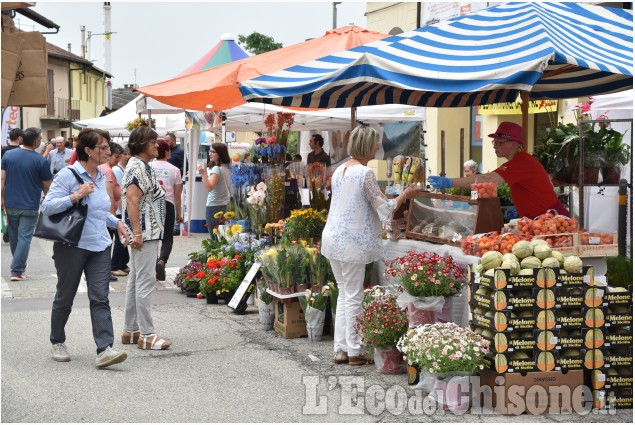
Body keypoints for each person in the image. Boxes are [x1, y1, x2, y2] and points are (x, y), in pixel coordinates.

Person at [321, 125, 419, 366]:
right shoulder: (364, 173)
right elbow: (384, 207)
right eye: (376, 143)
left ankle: (341, 348)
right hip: (351, 240)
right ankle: (354, 350)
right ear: (367, 146)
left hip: (333, 237)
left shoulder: (338, 171)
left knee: (345, 293)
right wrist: (405, 194)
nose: (378, 147)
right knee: (352, 296)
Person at [41, 128, 130, 368]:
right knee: (65, 296)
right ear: (88, 150)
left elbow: (100, 211)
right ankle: (57, 340)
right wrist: (75, 196)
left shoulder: (101, 175)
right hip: (72, 245)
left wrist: (117, 222)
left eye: (108, 147)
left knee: (100, 297)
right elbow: (47, 208)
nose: (108, 151)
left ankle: (105, 349)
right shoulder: (68, 176)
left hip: (100, 245)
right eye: (103, 148)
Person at [428, 122, 570, 218]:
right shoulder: (519, 161)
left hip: (552, 219)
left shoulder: (521, 161)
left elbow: (488, 178)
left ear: (514, 144)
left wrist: (450, 182)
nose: (495, 146)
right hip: (540, 219)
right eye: (494, 142)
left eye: (499, 143)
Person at [121, 126, 171, 350]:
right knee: (144, 281)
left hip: (147, 232)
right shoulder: (137, 167)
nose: (157, 144)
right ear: (141, 144)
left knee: (135, 280)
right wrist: (138, 233)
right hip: (146, 233)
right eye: (152, 141)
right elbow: (132, 201)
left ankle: (131, 330)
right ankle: (147, 334)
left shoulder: (141, 166)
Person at [1, 127, 52, 281]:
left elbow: (2, 179)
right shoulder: (41, 160)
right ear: (36, 142)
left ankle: (19, 266)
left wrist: (1, 198)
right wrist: (50, 201)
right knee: (24, 238)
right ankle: (16, 270)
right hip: (30, 204)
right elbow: (47, 186)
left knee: (15, 237)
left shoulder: (8, 155)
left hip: (11, 203)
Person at [150, 139, 183, 281]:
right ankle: (162, 261)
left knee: (153, 236)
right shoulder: (175, 170)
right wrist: (179, 213)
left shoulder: (149, 166)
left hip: (152, 204)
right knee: (167, 237)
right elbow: (177, 195)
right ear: (168, 151)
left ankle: (153, 265)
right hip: (168, 204)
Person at [99, 141, 125, 281]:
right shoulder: (108, 170)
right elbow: (109, 194)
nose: (118, 160)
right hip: (108, 213)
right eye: (116, 156)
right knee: (107, 243)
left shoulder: (103, 168)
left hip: (104, 212)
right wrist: (113, 217)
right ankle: (105, 271)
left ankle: (104, 270)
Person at [197, 142, 231, 239]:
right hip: (224, 203)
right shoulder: (226, 167)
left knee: (215, 236)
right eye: (210, 151)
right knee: (222, 236)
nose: (210, 154)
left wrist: (203, 173)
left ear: (220, 154)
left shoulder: (216, 169)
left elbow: (209, 187)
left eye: (213, 152)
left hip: (214, 204)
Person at [111, 145, 131, 276]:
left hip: (121, 209)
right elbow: (119, 191)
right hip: (118, 209)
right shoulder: (117, 170)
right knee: (120, 238)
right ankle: (114, 265)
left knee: (124, 236)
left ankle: (123, 263)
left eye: (129, 154)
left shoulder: (123, 169)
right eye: (125, 154)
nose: (127, 157)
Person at [165, 132, 183, 236]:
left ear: (173, 141)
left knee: (176, 200)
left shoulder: (180, 152)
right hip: (167, 182)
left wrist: (175, 174)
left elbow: (185, 167)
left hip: (176, 182)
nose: (166, 143)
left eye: (167, 141)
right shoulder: (167, 151)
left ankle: (176, 226)